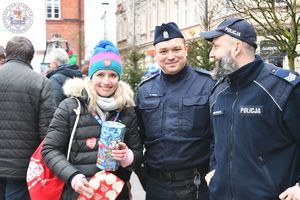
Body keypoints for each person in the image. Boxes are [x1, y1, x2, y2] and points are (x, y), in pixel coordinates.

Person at [199, 17, 300, 200]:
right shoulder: (218, 92)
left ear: (236, 47)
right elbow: (217, 141)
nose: (211, 54)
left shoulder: (282, 88)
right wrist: (214, 172)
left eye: (216, 46)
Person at [42, 40, 143, 200]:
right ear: (91, 76)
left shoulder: (127, 110)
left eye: (112, 75)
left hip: (114, 194)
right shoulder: (70, 107)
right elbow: (50, 150)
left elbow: (137, 156)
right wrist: (73, 177)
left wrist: (127, 156)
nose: (106, 81)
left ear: (119, 78)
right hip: (78, 193)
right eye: (100, 74)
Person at [135, 22, 215, 200]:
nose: (170, 56)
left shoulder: (208, 84)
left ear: (186, 49)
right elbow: (137, 139)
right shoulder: (144, 90)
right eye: (163, 51)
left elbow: (220, 136)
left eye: (176, 49)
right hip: (156, 187)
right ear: (155, 54)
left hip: (197, 185)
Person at [0, 36, 56, 200]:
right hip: (22, 166)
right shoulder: (41, 82)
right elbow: (47, 131)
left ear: (7, 54)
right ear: (31, 56)